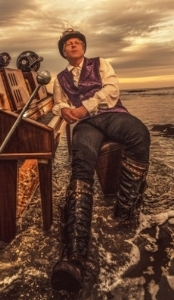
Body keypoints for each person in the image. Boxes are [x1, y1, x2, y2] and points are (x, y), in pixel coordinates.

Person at [50, 28, 151, 292]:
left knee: (139, 134)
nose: (73, 46)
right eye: (68, 44)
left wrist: (86, 106)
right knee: (81, 161)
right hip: (86, 124)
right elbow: (55, 104)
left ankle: (124, 209)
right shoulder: (59, 78)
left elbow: (112, 90)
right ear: (63, 51)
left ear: (83, 48)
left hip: (111, 115)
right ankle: (75, 255)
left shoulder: (101, 63)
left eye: (77, 42)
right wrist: (66, 110)